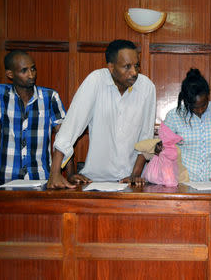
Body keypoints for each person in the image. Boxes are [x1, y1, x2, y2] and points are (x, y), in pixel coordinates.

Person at [47, 39, 156, 189]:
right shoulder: (95, 81)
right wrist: (55, 172)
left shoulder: (147, 87)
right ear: (111, 67)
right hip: (95, 180)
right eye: (127, 67)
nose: (134, 72)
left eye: (137, 65)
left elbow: (146, 137)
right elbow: (71, 126)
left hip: (131, 180)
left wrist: (135, 174)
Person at [0, 50, 73, 186]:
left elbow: (64, 136)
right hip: (7, 177)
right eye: (24, 70)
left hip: (41, 177)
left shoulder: (50, 97)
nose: (31, 74)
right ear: (10, 74)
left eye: (33, 69)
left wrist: (70, 174)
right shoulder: (0, 93)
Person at [164, 68, 211, 181]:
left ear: (208, 96)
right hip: (182, 182)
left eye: (204, 105)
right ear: (186, 101)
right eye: (195, 108)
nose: (200, 110)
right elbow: (164, 151)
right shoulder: (174, 116)